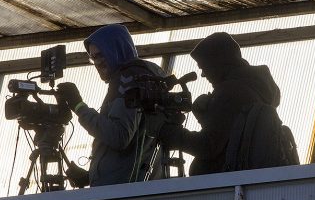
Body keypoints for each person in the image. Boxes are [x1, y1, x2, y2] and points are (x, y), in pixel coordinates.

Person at [160, 32, 292, 175]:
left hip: (221, 187)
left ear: (219, 63)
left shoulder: (230, 92)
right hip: (240, 181)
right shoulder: (255, 90)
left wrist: (171, 133)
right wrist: (205, 117)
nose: (203, 75)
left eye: (204, 67)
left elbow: (208, 146)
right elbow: (230, 140)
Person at [56, 24, 167, 187]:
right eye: (93, 58)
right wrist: (91, 176)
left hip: (121, 194)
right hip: (133, 188)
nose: (97, 62)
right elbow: (135, 153)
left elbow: (119, 136)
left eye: (101, 55)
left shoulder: (127, 80)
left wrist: (78, 106)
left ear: (116, 50)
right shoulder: (145, 78)